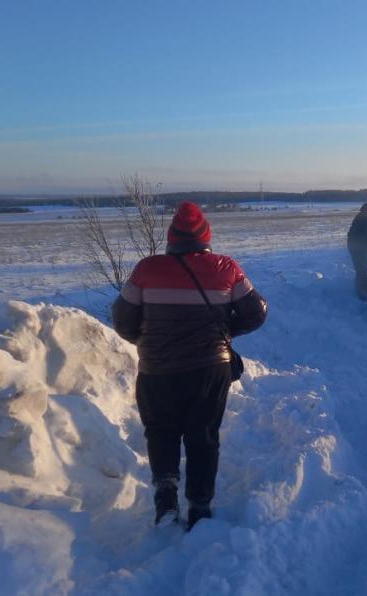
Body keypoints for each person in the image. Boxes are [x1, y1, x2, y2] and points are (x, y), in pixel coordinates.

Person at [112, 201, 268, 530]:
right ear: (205, 238)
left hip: (156, 370)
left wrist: (150, 341)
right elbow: (257, 313)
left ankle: (165, 500)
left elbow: (122, 320)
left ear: (172, 239)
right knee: (203, 435)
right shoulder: (226, 268)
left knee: (161, 432)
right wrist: (225, 331)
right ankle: (200, 507)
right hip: (210, 370)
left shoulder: (146, 270)